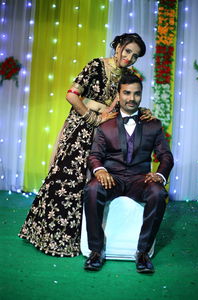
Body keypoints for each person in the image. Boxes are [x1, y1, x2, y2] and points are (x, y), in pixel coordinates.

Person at [19, 33, 152, 257]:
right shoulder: (96, 65)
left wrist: (142, 111)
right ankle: (52, 237)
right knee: (67, 181)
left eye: (135, 56)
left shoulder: (127, 75)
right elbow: (72, 95)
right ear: (118, 46)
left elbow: (124, 104)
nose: (129, 58)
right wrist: (93, 117)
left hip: (105, 135)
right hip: (80, 129)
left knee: (94, 184)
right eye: (127, 51)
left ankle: (87, 242)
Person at [83, 72, 174, 273]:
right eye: (127, 93)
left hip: (140, 179)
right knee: (91, 189)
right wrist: (100, 170)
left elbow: (166, 156)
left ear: (141, 95)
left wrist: (159, 175)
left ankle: (142, 252)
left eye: (136, 94)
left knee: (158, 192)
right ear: (119, 94)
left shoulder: (153, 124)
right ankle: (96, 251)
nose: (131, 98)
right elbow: (94, 155)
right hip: (111, 178)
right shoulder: (105, 125)